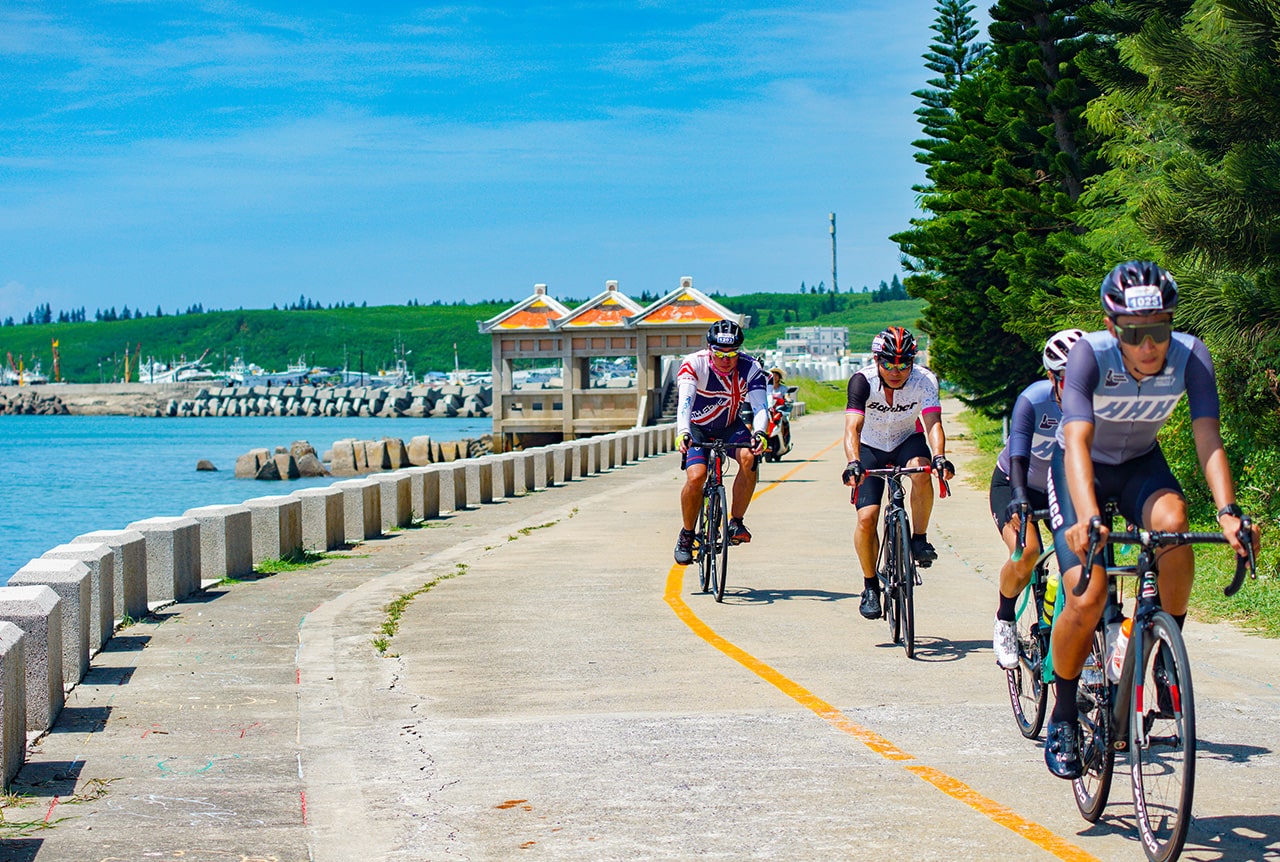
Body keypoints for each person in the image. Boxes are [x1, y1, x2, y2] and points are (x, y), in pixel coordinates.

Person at [1042, 261, 1261, 779]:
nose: (1148, 346)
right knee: (1089, 595)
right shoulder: (1087, 356)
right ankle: (1065, 711)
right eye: (1135, 334)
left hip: (1141, 463)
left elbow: (1208, 437)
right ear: (1112, 325)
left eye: (1159, 330)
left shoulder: (1191, 356)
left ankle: (1164, 649)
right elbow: (1075, 441)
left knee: (1175, 524)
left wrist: (1228, 512)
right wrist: (1088, 517)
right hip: (1083, 470)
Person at [841, 326, 955, 621]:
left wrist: (940, 456)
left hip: (907, 439)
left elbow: (933, 424)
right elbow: (852, 427)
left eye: (904, 364)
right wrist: (853, 462)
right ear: (877, 360)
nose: (896, 371)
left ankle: (918, 538)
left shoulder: (925, 380)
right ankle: (869, 587)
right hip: (871, 445)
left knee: (922, 470)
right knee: (867, 518)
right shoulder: (861, 381)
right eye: (889, 363)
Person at [989, 329, 1084, 669]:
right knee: (1027, 551)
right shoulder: (1034, 399)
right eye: (1067, 379)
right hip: (1017, 483)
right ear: (1051, 376)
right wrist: (1017, 496)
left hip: (1064, 486)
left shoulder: (1099, 401)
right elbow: (1017, 456)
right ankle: (1004, 619)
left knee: (1081, 555)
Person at [673, 320, 769, 565]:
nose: (726, 359)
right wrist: (683, 431)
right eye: (719, 353)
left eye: (732, 353)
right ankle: (686, 534)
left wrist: (760, 433)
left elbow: (760, 406)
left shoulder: (750, 367)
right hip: (697, 427)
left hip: (729, 426)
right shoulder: (694, 364)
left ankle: (736, 521)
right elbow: (684, 403)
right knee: (696, 476)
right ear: (709, 348)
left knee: (750, 458)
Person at [766, 367, 793, 449]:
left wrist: (788, 400)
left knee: (784, 420)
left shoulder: (783, 388)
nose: (774, 377)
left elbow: (787, 396)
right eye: (772, 375)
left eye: (776, 375)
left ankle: (784, 439)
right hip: (769, 410)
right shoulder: (767, 388)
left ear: (779, 377)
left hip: (779, 410)